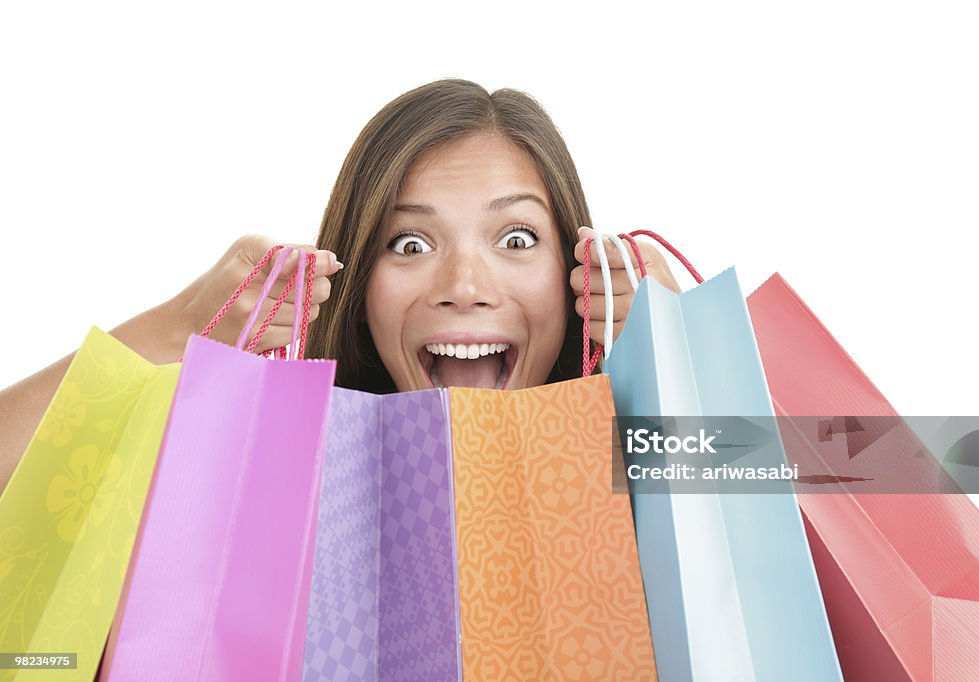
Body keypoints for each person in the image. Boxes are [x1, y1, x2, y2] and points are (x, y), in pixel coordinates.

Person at [0, 78, 680, 491]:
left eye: (517, 239)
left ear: (577, 278)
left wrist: (686, 354)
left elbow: (785, 486)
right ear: (356, 294)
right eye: (409, 243)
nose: (465, 285)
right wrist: (176, 329)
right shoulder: (272, 467)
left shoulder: (643, 453)